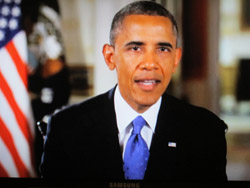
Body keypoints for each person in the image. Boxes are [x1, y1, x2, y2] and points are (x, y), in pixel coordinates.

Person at [40, 1, 227, 181]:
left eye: (162, 49)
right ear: (110, 57)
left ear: (176, 58)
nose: (150, 64)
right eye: (136, 48)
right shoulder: (66, 128)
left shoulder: (206, 132)